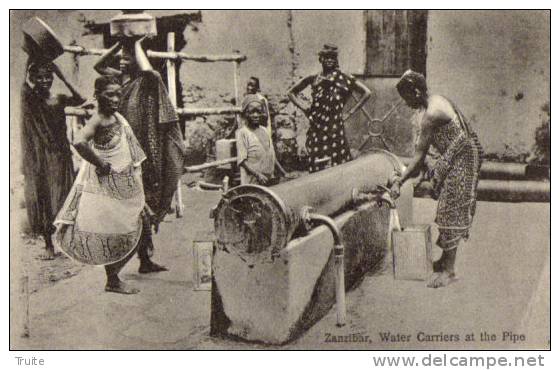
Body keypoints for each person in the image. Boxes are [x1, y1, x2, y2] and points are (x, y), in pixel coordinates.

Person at [94, 37, 185, 273]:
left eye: (128, 57)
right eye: (121, 57)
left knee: (146, 204)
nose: (123, 61)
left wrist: (136, 45)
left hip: (145, 151)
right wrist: (122, 43)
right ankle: (113, 271)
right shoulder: (115, 83)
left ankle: (145, 259)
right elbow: (99, 66)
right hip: (121, 152)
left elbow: (150, 71)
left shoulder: (144, 82)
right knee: (130, 208)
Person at [389, 70, 483, 288]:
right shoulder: (436, 99)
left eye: (407, 98)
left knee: (451, 209)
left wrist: (399, 180)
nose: (406, 103)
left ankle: (450, 272)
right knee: (447, 207)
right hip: (460, 154)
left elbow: (419, 156)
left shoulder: (431, 114)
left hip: (463, 157)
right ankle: (445, 261)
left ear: (416, 92)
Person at [54, 76, 147, 294]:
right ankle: (113, 279)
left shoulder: (115, 117)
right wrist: (101, 163)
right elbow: (78, 141)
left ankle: (144, 261)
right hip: (107, 185)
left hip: (123, 181)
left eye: (118, 94)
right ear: (98, 96)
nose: (116, 99)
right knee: (114, 228)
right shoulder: (99, 119)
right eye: (110, 94)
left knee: (140, 222)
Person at [20, 60, 86, 259]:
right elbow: (23, 88)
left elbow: (80, 98)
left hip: (60, 154)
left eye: (48, 76)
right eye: (39, 77)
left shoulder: (59, 98)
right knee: (44, 196)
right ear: (32, 79)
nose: (44, 80)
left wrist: (63, 75)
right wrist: (31, 58)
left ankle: (68, 241)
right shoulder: (31, 100)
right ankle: (49, 245)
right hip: (41, 156)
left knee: (64, 195)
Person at [287, 44, 372, 173]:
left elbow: (366, 92)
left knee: (337, 162)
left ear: (336, 60)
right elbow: (291, 93)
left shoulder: (343, 77)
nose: (329, 60)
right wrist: (304, 108)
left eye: (332, 57)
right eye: (326, 57)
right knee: (317, 161)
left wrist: (350, 112)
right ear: (321, 59)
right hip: (317, 127)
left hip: (335, 128)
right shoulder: (314, 78)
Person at [237, 94, 289, 185]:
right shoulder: (243, 133)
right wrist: (258, 175)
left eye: (258, 112)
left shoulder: (264, 130)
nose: (256, 115)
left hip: (269, 179)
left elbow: (272, 155)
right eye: (252, 112)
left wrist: (284, 173)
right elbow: (242, 161)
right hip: (254, 182)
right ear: (245, 114)